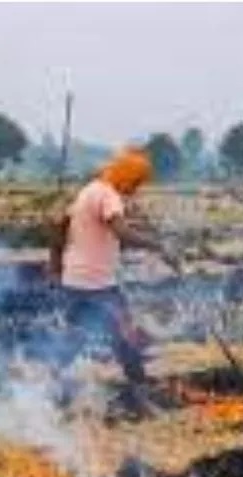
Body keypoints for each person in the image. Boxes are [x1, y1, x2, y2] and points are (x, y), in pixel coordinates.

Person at [46, 147, 181, 416]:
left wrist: (55, 266)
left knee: (76, 337)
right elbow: (122, 232)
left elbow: (60, 227)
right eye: (136, 183)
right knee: (127, 340)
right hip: (98, 285)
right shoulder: (109, 195)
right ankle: (141, 399)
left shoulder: (89, 190)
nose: (135, 189)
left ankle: (51, 391)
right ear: (126, 177)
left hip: (75, 281)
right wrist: (159, 246)